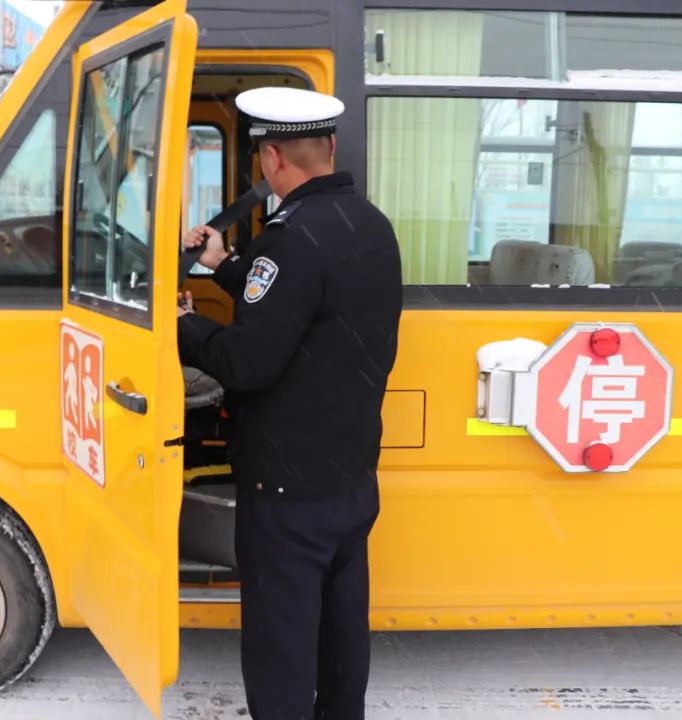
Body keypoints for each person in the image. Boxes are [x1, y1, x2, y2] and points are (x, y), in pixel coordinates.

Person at [177, 86, 403, 720]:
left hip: (287, 491)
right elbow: (312, 309)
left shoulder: (290, 239)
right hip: (349, 478)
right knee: (340, 636)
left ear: (270, 160)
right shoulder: (370, 224)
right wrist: (225, 266)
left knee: (281, 649)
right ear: (329, 147)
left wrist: (183, 326)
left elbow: (248, 362)